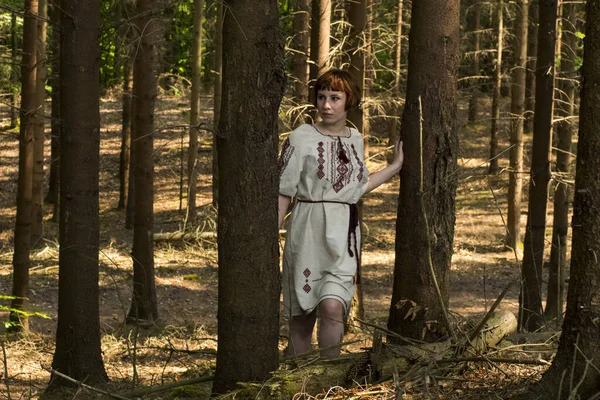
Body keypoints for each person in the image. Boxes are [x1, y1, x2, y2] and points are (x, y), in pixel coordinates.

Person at [278, 69, 404, 357]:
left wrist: (394, 167)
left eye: (335, 98)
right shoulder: (301, 137)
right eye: (321, 97)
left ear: (350, 100)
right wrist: (272, 233)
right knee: (303, 316)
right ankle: (295, 381)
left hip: (344, 235)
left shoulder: (355, 139)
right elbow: (284, 189)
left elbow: (357, 189)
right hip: (308, 230)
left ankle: (329, 382)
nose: (326, 105)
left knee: (333, 307)